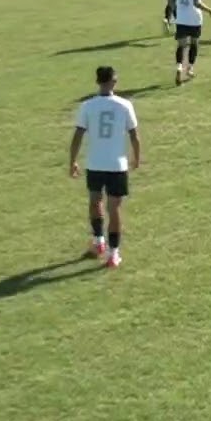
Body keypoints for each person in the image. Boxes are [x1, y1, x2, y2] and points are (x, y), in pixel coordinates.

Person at [69, 66, 140, 269]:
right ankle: (113, 253)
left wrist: (72, 161)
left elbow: (78, 136)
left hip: (95, 163)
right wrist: (136, 158)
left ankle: (99, 241)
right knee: (114, 208)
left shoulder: (87, 106)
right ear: (114, 81)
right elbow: (134, 135)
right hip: (117, 165)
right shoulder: (125, 105)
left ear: (97, 82)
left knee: (94, 201)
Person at [171, 0, 211, 85]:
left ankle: (179, 67)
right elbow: (196, 3)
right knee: (194, 43)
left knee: (181, 45)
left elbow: (173, 1)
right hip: (194, 20)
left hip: (181, 20)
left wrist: (177, 13)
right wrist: (209, 10)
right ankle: (190, 68)